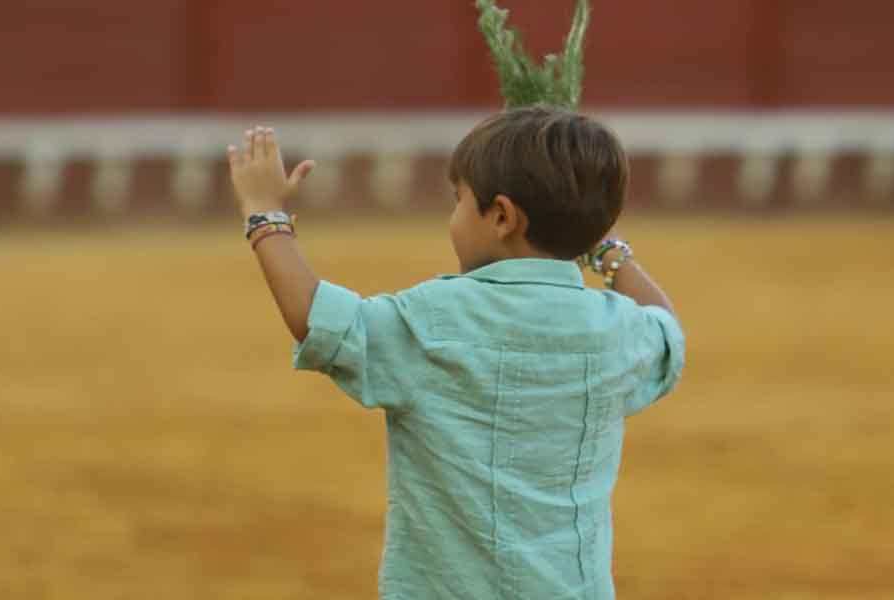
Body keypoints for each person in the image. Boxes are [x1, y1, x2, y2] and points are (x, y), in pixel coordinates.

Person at [227, 3, 684, 597]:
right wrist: (601, 248)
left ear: (501, 216)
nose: (452, 215)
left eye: (458, 199)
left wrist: (267, 219)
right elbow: (667, 331)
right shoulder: (617, 330)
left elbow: (316, 318)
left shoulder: (437, 321)